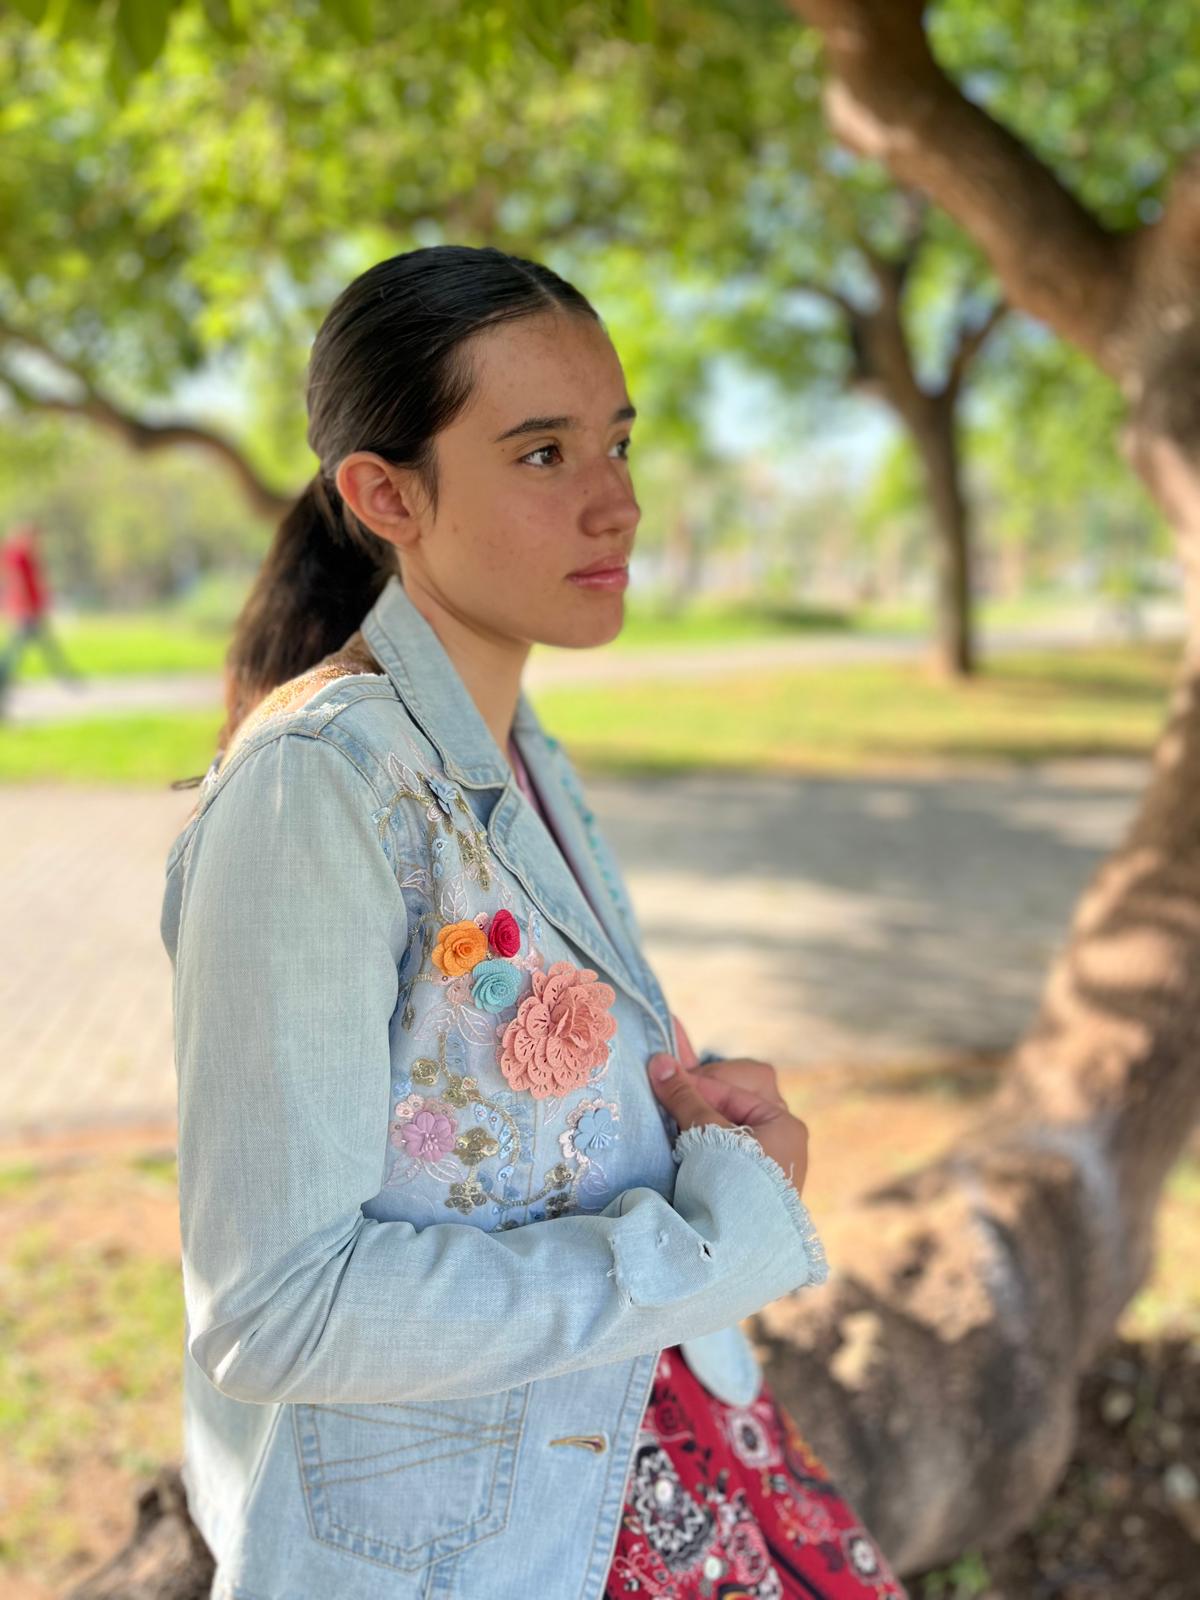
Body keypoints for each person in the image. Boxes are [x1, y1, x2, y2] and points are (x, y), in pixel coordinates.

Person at [160, 244, 907, 1600]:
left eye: (618, 442)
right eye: (544, 455)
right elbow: (278, 1310)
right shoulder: (312, 793)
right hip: (496, 1540)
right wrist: (697, 1249)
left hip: (650, 1432)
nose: (617, 505)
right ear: (388, 495)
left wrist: (667, 1114)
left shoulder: (515, 739)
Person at [0, 519, 83, 710]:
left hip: (32, 609)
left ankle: (67, 678)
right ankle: (4, 680)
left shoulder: (28, 555)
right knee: (16, 651)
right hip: (25, 611)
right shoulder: (17, 555)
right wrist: (27, 607)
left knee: (41, 647)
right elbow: (18, 582)